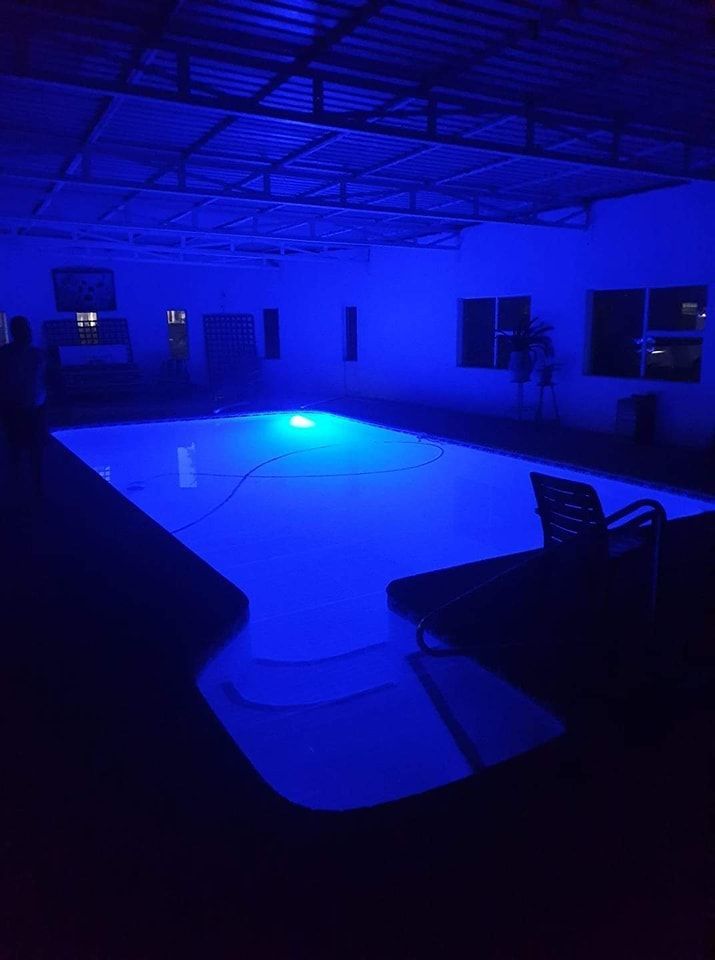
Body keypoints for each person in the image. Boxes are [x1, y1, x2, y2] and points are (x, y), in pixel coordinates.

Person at [0, 315, 48, 496]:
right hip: (23, 407)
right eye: (25, 328)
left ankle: (24, 484)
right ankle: (32, 485)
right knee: (26, 447)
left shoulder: (7, 354)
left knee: (21, 447)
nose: (28, 332)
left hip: (24, 407)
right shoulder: (34, 355)